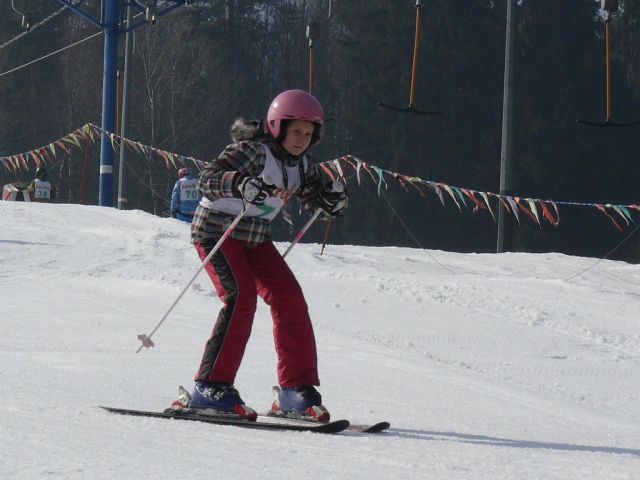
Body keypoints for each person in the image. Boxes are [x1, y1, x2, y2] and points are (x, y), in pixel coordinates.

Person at [184, 89, 347, 422]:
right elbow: (208, 179)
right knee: (240, 297)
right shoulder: (253, 153)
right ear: (277, 126)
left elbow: (315, 194)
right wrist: (239, 184)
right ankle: (210, 386)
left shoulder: (303, 164)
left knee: (290, 298)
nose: (302, 139)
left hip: (255, 238)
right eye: (296, 130)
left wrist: (331, 200)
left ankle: (295, 391)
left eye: (309, 132)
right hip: (218, 232)